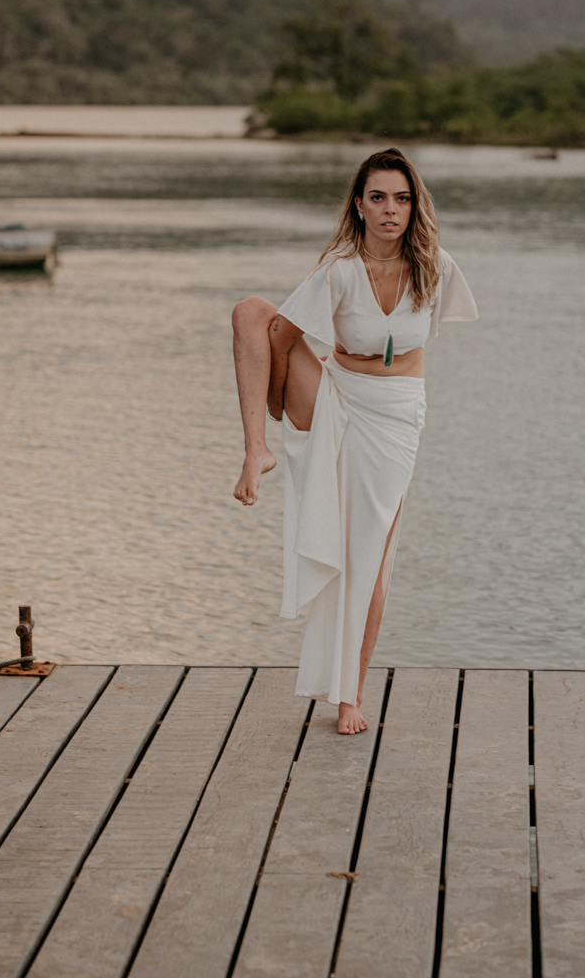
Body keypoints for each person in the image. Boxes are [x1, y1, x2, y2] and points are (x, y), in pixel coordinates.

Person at [232, 148, 477, 734]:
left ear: (414, 205)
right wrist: (271, 416)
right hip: (338, 399)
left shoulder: (435, 267)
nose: (390, 210)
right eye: (377, 198)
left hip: (396, 417)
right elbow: (279, 334)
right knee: (249, 311)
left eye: (401, 198)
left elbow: (421, 341)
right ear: (359, 206)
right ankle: (256, 449)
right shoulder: (339, 271)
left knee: (372, 559)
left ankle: (351, 696)